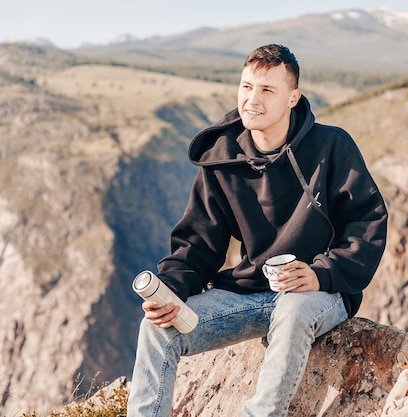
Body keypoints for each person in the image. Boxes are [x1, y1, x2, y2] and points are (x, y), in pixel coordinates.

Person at [126, 43, 388, 417]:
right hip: (250, 293)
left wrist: (321, 274)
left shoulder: (332, 145)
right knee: (157, 330)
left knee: (294, 309)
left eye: (267, 90)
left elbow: (368, 222)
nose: (252, 99)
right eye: (246, 87)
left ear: (292, 97)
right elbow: (198, 240)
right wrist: (169, 290)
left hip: (319, 292)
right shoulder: (222, 159)